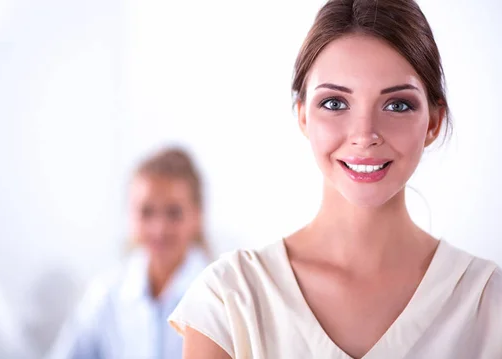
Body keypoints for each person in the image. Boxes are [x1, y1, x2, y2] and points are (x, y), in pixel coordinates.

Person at [168, 1, 502, 358]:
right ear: (302, 116)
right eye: (334, 103)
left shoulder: (488, 301)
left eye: (397, 105)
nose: (365, 134)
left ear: (434, 122)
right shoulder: (229, 299)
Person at [49, 147, 210, 359]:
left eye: (174, 212)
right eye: (146, 212)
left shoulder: (217, 298)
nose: (159, 229)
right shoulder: (105, 296)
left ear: (196, 216)